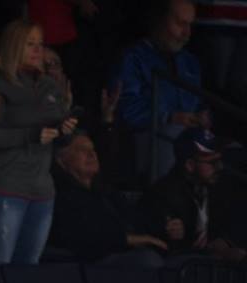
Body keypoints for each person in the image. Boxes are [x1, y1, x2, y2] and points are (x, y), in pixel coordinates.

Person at [0, 19, 78, 266]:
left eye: (40, 44)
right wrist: (30, 135)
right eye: (30, 44)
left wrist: (65, 130)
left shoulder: (49, 85)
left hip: (42, 192)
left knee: (27, 274)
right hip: (5, 189)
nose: (37, 50)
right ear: (13, 46)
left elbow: (60, 137)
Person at [47, 132, 172, 266]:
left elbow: (134, 218)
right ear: (60, 160)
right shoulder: (58, 194)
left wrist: (164, 226)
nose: (92, 154)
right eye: (82, 150)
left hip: (122, 254)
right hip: (91, 264)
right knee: (148, 261)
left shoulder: (106, 190)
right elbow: (83, 237)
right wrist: (132, 239)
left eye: (93, 149)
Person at [112, 0, 206, 179]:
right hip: (147, 140)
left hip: (189, 139)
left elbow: (199, 104)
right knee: (174, 132)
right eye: (180, 24)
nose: (187, 33)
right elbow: (126, 110)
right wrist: (169, 117)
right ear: (159, 21)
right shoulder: (133, 58)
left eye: (190, 25)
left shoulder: (190, 62)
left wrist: (204, 116)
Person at [138, 128, 244, 258]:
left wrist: (226, 241)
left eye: (219, 160)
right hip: (181, 269)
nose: (219, 166)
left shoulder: (219, 186)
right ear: (190, 165)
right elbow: (165, 249)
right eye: (212, 162)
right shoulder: (162, 196)